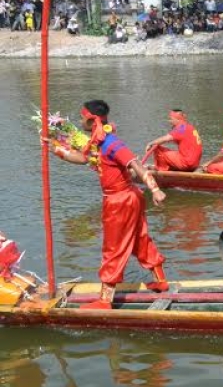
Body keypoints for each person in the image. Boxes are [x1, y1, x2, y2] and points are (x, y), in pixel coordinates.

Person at [44, 100, 168, 309]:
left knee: (113, 247)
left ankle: (105, 300)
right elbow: (83, 159)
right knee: (139, 239)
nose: (80, 120)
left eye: (83, 116)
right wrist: (54, 147)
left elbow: (135, 164)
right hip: (127, 198)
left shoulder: (111, 142)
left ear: (92, 119)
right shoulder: (98, 141)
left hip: (120, 200)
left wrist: (154, 188)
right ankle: (161, 280)